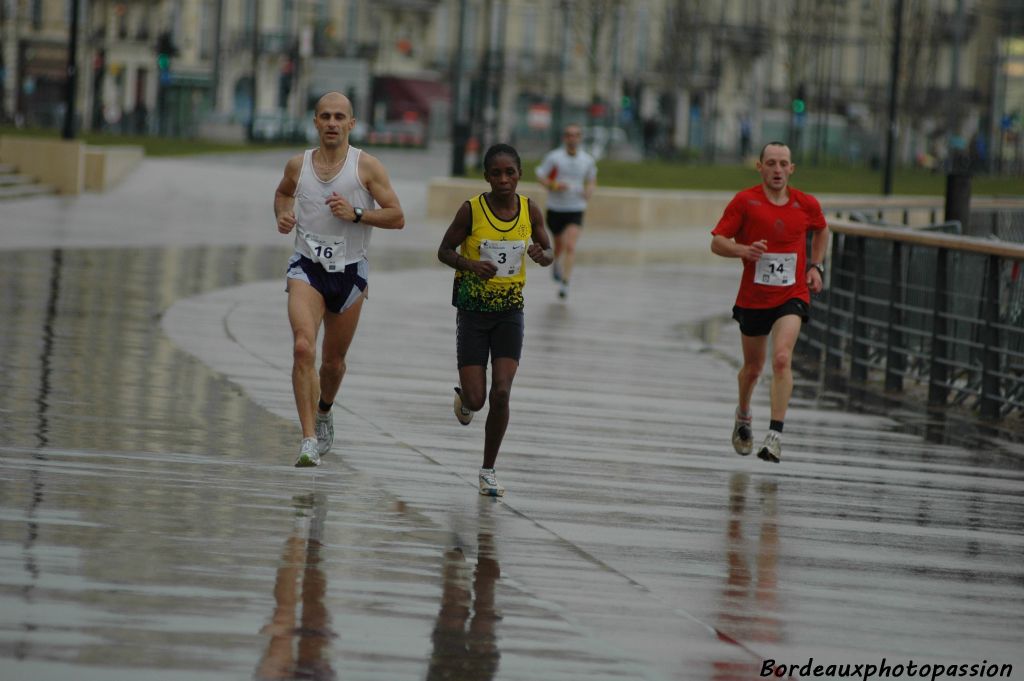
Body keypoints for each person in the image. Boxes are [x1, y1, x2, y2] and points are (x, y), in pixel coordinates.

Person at [274, 92, 405, 467]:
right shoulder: (298, 166)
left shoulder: (367, 167)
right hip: (307, 267)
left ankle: (325, 410)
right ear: (315, 122)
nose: (332, 123)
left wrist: (358, 214)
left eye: (339, 117)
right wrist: (283, 214)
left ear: (352, 123)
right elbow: (283, 194)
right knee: (303, 348)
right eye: (325, 116)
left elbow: (397, 216)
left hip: (349, 272)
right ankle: (308, 439)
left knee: (333, 363)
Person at [437, 143, 553, 496]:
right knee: (478, 399)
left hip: (509, 313)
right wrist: (471, 265)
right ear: (486, 177)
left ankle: (488, 470)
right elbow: (444, 251)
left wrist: (540, 253)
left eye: (510, 173)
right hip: (472, 313)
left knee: (501, 392)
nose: (504, 179)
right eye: (496, 173)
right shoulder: (471, 210)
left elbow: (548, 252)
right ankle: (465, 401)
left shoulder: (530, 210)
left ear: (519, 175)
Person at [711, 141, 828, 463]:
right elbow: (717, 242)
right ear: (760, 167)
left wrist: (816, 266)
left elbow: (821, 230)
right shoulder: (745, 201)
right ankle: (744, 414)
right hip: (754, 297)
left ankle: (775, 434)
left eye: (783, 164)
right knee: (753, 368)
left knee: (780, 358)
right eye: (771, 163)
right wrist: (743, 250)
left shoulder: (806, 203)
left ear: (792, 169)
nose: (777, 170)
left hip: (791, 294)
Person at [535, 124, 597, 299]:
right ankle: (556, 265)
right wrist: (555, 185)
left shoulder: (587, 160)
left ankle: (565, 283)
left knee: (570, 245)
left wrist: (589, 190)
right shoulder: (554, 157)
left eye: (576, 135)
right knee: (559, 246)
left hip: (576, 208)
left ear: (580, 138)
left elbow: (592, 180)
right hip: (556, 208)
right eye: (569, 135)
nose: (573, 139)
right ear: (565, 138)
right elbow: (541, 177)